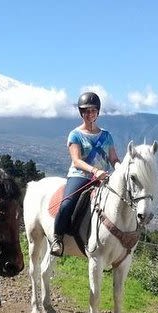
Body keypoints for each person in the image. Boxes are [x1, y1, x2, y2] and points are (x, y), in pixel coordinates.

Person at [50, 92, 120, 256]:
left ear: (97, 112)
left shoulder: (106, 135)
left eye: (93, 111)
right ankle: (57, 237)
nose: (90, 114)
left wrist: (121, 169)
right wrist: (95, 170)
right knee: (67, 204)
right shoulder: (75, 134)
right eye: (86, 111)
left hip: (103, 178)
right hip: (80, 176)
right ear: (82, 113)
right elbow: (76, 161)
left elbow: (113, 158)